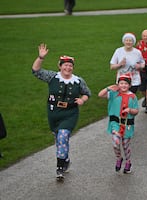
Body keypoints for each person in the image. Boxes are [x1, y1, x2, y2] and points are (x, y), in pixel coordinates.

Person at [32, 43, 91, 180]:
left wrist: (83, 99)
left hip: (70, 113)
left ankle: (59, 167)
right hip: (53, 113)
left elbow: (87, 93)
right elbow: (36, 71)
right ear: (60, 66)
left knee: (63, 136)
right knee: (59, 140)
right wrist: (41, 57)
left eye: (70, 65)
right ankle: (65, 159)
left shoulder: (78, 81)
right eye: (65, 65)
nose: (68, 67)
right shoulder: (52, 77)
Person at [98, 74, 139, 174]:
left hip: (127, 125)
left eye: (126, 84)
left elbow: (136, 111)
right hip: (115, 123)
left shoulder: (133, 97)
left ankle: (128, 162)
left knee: (125, 145)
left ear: (129, 85)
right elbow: (100, 94)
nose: (123, 85)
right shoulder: (114, 94)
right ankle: (119, 158)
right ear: (118, 84)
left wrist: (130, 110)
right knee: (116, 143)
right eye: (121, 83)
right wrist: (108, 88)